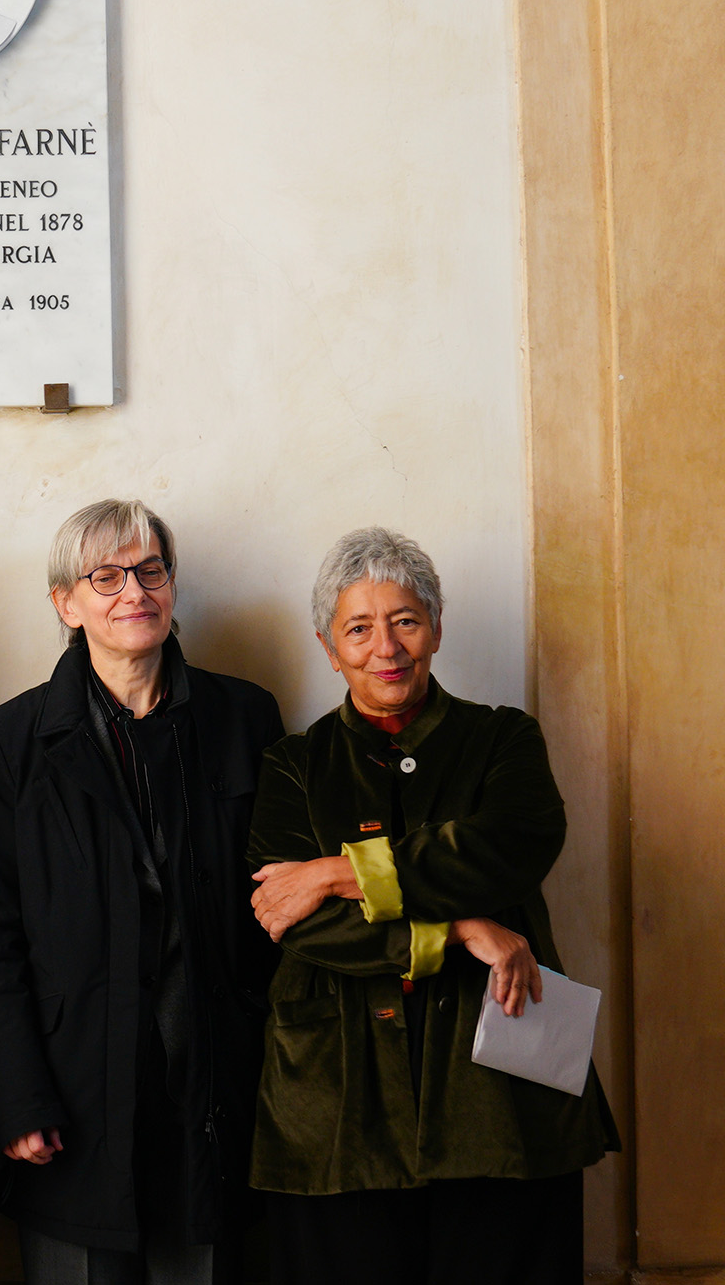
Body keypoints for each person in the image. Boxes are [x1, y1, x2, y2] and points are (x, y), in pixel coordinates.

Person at [246, 527, 617, 1284]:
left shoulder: (502, 739)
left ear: (437, 627)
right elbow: (295, 921)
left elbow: (505, 847)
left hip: (497, 1089)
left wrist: (336, 872)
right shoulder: (292, 765)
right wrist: (455, 929)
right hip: (336, 1092)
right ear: (327, 646)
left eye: (405, 620)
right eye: (358, 628)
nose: (385, 646)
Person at [0, 500, 284, 1285]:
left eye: (148, 571)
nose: (131, 592)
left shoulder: (244, 716)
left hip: (214, 1087)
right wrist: (17, 1095)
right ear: (65, 605)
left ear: (171, 586)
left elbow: (279, 903)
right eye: (103, 576)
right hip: (72, 1096)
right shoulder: (13, 738)